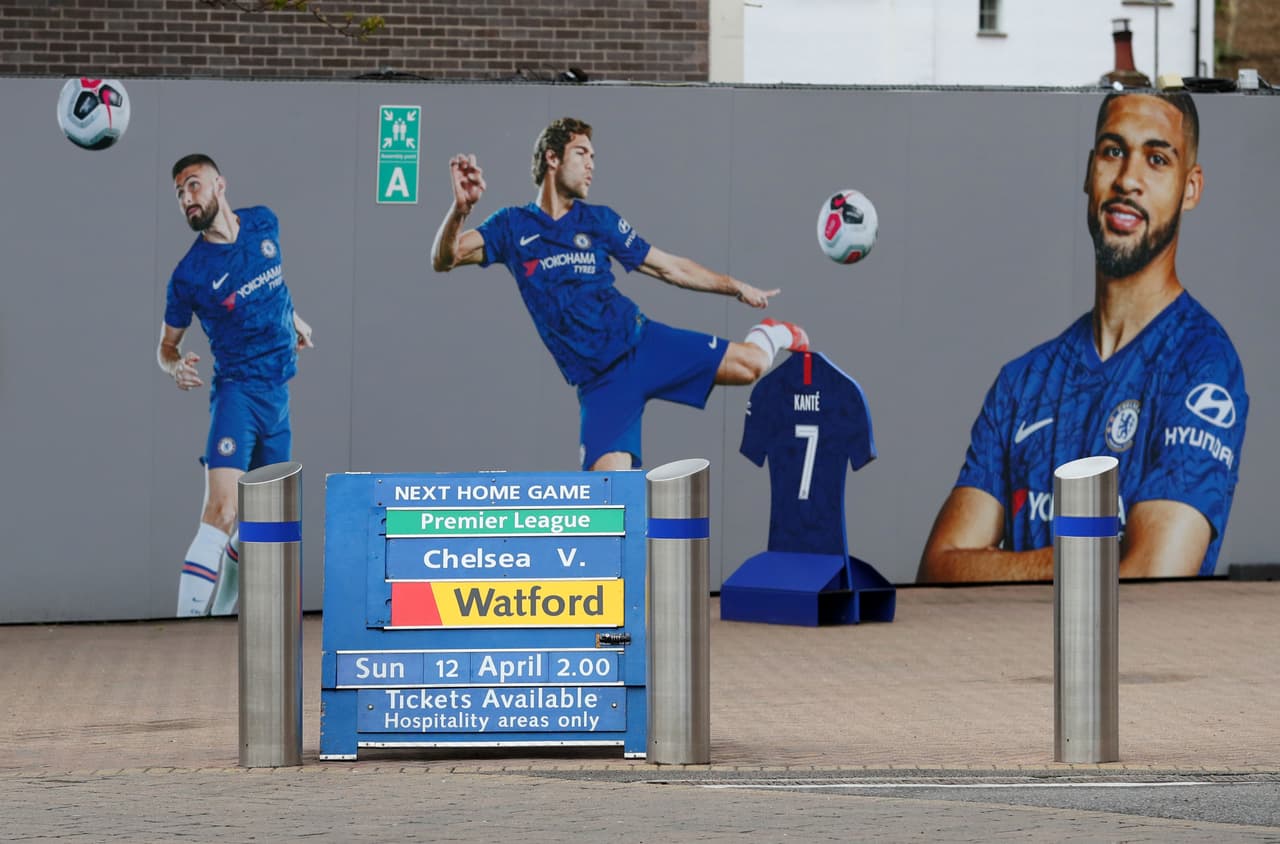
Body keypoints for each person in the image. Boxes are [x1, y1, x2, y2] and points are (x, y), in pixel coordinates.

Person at [918, 91, 1248, 582]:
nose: (1128, 180)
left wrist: (998, 567)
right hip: (1009, 660)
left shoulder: (1201, 367)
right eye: (1113, 152)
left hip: (1129, 661)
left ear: (1190, 188)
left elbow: (1154, 573)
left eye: (1157, 159)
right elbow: (940, 568)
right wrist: (1101, 558)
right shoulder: (1023, 382)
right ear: (1089, 171)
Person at [431, 117, 809, 471]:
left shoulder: (599, 221)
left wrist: (735, 286)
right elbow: (444, 258)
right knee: (608, 501)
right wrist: (460, 210)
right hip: (601, 384)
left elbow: (669, 267)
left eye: (593, 156)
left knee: (752, 367)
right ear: (552, 158)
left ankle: (774, 331)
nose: (591, 165)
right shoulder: (511, 226)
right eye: (581, 153)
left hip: (642, 345)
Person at [158, 154, 314, 617]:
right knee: (222, 511)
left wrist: (294, 321)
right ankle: (185, 629)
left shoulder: (265, 223)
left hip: (278, 395)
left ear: (219, 185)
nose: (187, 198)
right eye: (180, 194)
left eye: (193, 186)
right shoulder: (188, 275)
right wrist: (173, 367)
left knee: (259, 526)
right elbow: (166, 347)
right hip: (237, 393)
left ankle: (222, 614)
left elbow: (275, 288)